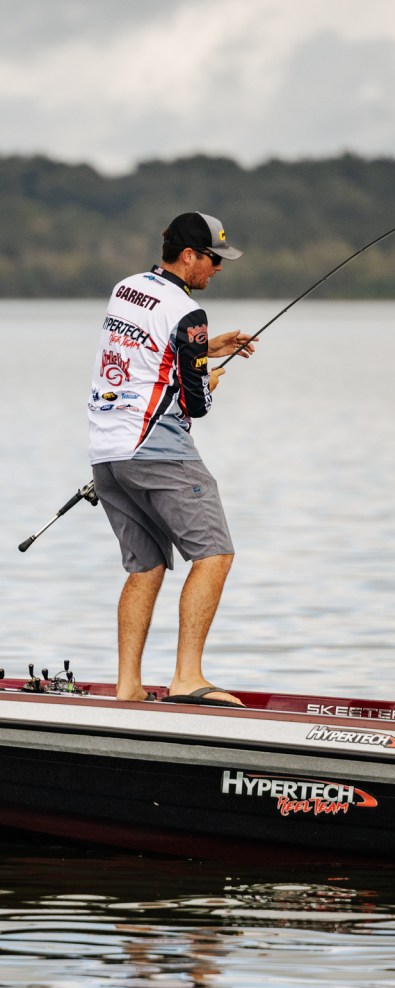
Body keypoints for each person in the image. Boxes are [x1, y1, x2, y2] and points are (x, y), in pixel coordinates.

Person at [88, 211, 257, 705]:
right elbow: (195, 403)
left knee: (146, 566)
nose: (217, 269)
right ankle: (187, 677)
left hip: (107, 453)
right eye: (212, 259)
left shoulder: (126, 289)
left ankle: (128, 686)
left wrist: (204, 351)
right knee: (214, 555)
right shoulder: (188, 313)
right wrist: (206, 377)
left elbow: (147, 353)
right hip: (155, 449)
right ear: (188, 256)